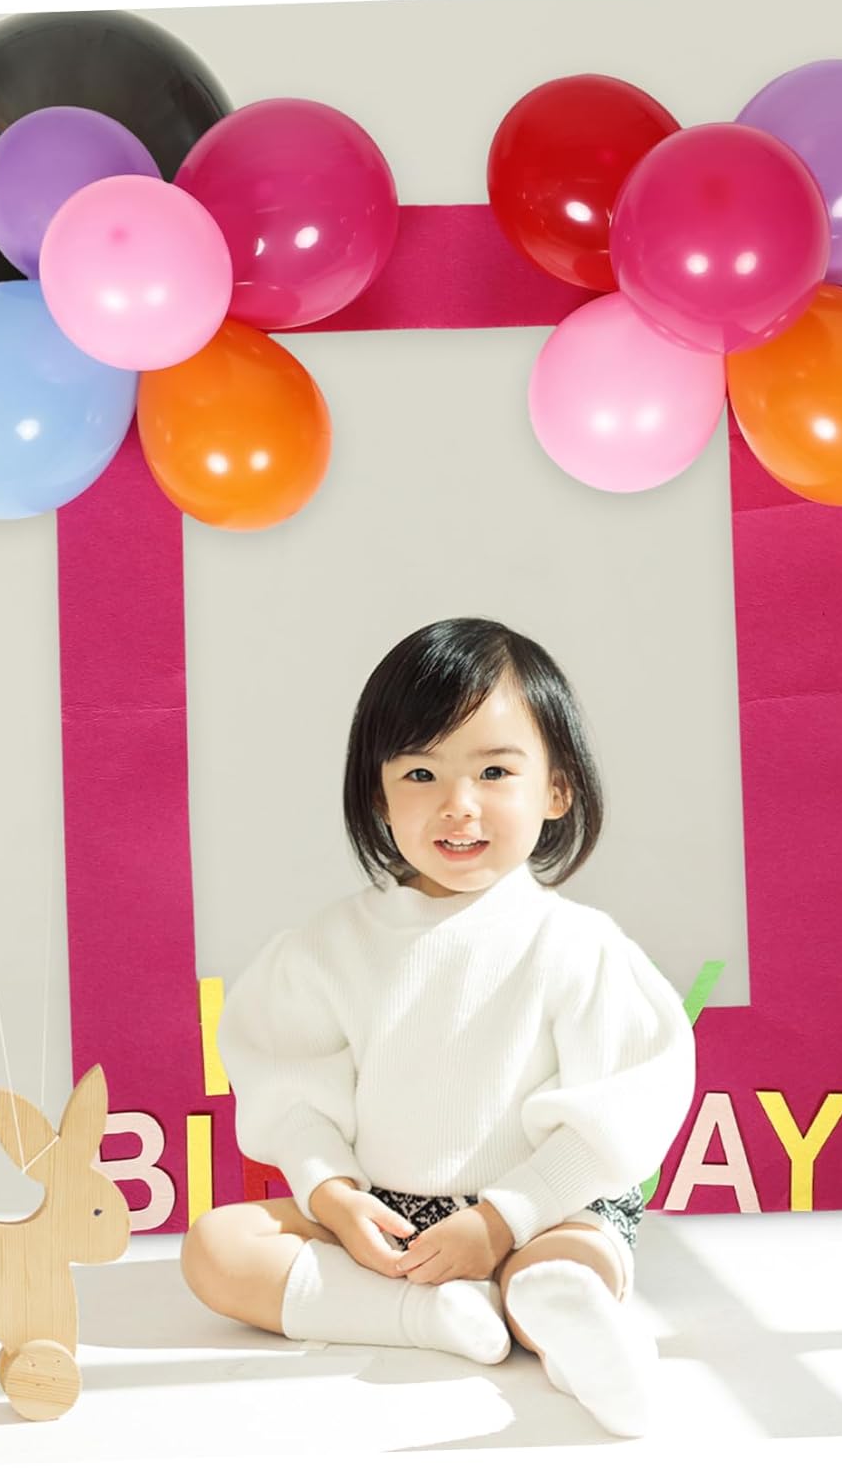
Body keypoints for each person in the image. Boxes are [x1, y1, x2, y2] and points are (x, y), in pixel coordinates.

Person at [183, 616, 695, 1438]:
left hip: (543, 1208)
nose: (459, 805)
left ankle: (565, 1321)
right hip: (388, 1212)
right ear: (378, 795)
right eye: (421, 773)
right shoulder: (324, 948)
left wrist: (503, 1219)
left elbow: (624, 1109)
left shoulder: (578, 945)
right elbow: (291, 1089)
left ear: (556, 789)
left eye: (494, 771)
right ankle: (434, 1316)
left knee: (566, 1264)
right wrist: (334, 1195)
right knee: (217, 1247)